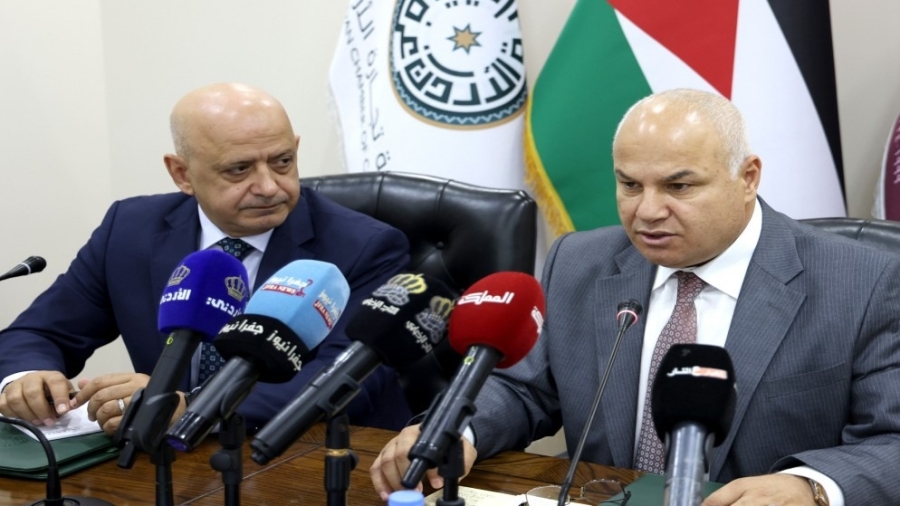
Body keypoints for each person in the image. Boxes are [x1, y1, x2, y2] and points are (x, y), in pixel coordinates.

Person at [370, 89, 900, 505]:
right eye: (629, 185)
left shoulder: (863, 283)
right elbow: (522, 388)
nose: (646, 212)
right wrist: (457, 432)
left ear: (747, 178)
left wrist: (811, 486)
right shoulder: (580, 261)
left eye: (679, 187)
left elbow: (893, 440)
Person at [0, 82, 412, 436]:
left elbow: (344, 379)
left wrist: (193, 407)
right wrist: (27, 379)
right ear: (182, 174)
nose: (269, 186)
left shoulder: (364, 246)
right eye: (239, 169)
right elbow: (39, 333)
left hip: (313, 458)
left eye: (283, 161)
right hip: (164, 461)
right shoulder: (128, 229)